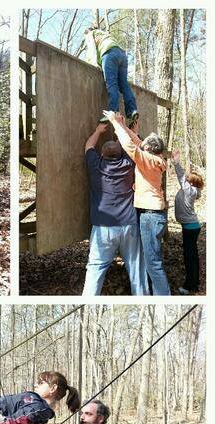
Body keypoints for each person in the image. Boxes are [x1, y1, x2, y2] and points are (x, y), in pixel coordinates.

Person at [104, 111, 170, 295]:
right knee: (153, 262)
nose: (142, 143)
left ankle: (163, 297)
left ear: (149, 149)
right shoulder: (154, 158)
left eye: (145, 144)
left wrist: (114, 124)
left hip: (150, 216)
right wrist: (123, 124)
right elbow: (138, 142)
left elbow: (130, 146)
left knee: (154, 265)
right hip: (152, 215)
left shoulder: (148, 160)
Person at [82, 123, 149, 295]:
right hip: (129, 226)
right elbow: (136, 147)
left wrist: (97, 131)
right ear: (121, 153)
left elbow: (88, 146)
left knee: (95, 270)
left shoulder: (96, 165)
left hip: (102, 229)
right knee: (136, 270)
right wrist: (126, 130)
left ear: (101, 154)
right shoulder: (128, 163)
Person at [84, 27, 138, 125]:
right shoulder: (104, 35)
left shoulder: (90, 34)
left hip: (109, 54)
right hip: (122, 55)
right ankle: (132, 110)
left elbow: (91, 51)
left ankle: (113, 111)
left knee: (112, 84)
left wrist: (92, 64)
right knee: (124, 85)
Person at [171, 150, 204, 294]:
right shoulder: (189, 190)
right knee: (192, 256)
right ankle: (194, 283)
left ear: (191, 182)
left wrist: (176, 161)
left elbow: (180, 176)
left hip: (190, 227)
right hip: (191, 226)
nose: (186, 178)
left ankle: (189, 285)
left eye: (188, 178)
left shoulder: (190, 191)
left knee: (189, 257)